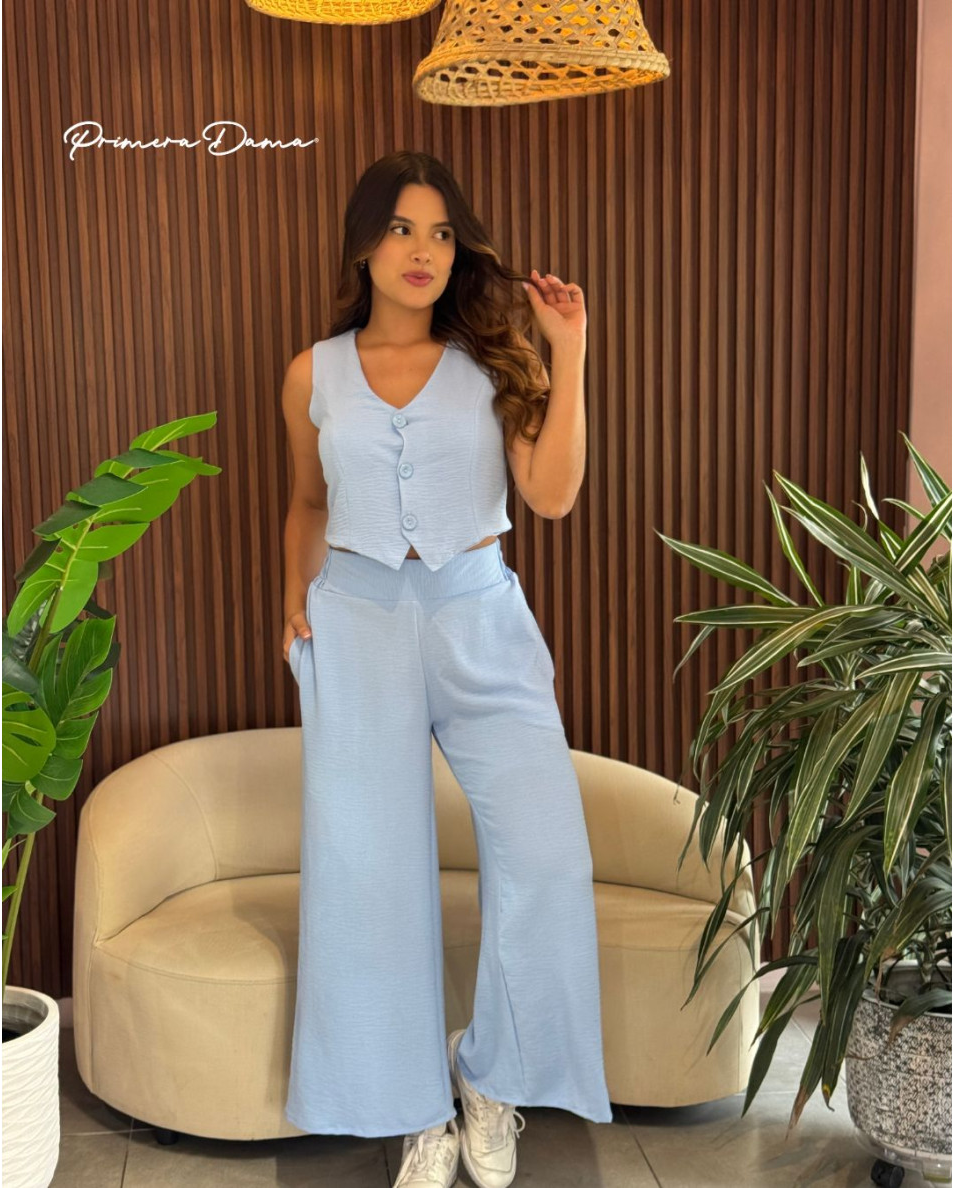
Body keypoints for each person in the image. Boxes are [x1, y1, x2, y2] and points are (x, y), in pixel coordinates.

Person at [279, 150, 611, 1188]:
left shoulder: (491, 360)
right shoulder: (312, 373)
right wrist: (292, 608)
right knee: (366, 876)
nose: (421, 251)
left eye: (439, 233)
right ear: (364, 243)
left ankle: (489, 1077)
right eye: (400, 228)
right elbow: (308, 502)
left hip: (480, 616)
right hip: (354, 623)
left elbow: (550, 496)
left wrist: (569, 352)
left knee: (546, 855)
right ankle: (410, 1108)